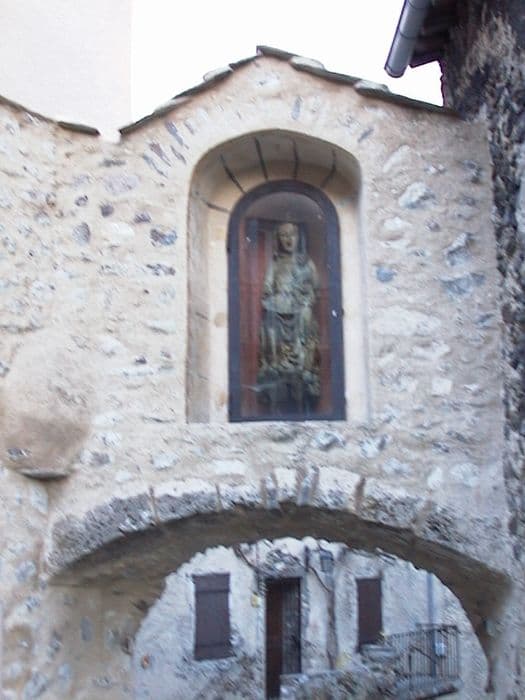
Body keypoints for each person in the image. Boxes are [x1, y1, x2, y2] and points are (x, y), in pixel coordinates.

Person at [257, 221, 320, 413]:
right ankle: (274, 362)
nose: (288, 239)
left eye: (291, 234)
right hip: (278, 305)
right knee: (269, 320)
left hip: (300, 307)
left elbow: (315, 289)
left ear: (298, 237)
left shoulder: (306, 263)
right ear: (278, 239)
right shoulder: (275, 263)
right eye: (283, 235)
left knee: (306, 316)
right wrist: (273, 293)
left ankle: (303, 365)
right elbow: (267, 287)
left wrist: (305, 298)